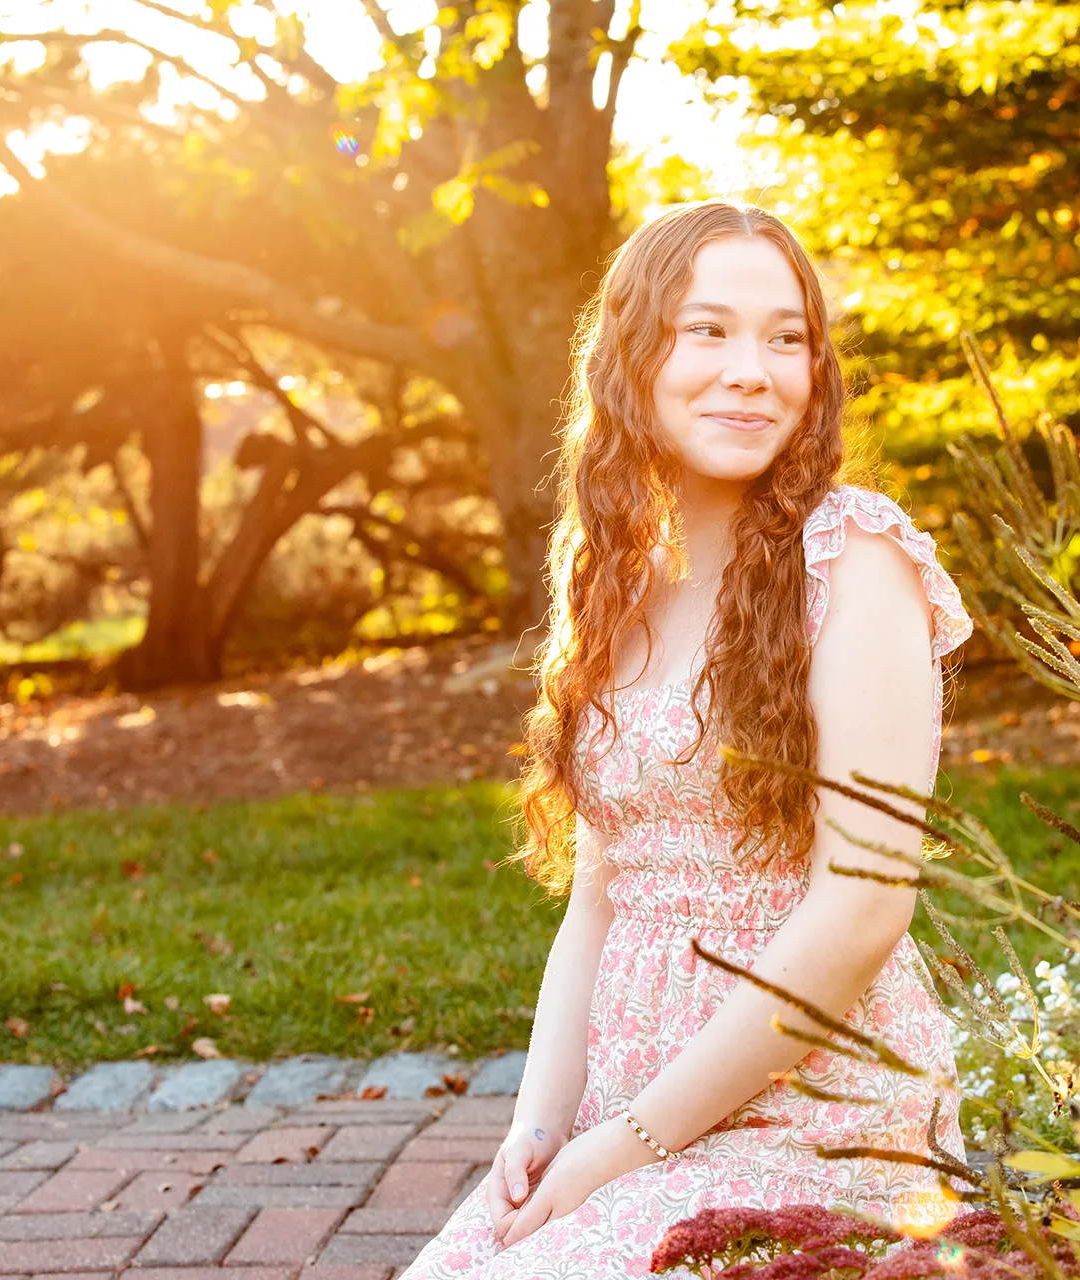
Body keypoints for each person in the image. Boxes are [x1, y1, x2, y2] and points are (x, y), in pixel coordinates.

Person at [405, 199, 972, 1279]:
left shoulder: (853, 559)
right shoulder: (622, 586)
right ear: (634, 355)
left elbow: (862, 907)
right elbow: (599, 894)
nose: (752, 369)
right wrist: (542, 1128)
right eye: (706, 329)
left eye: (785, 336)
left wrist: (630, 1145)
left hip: (817, 1113)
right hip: (632, 1115)